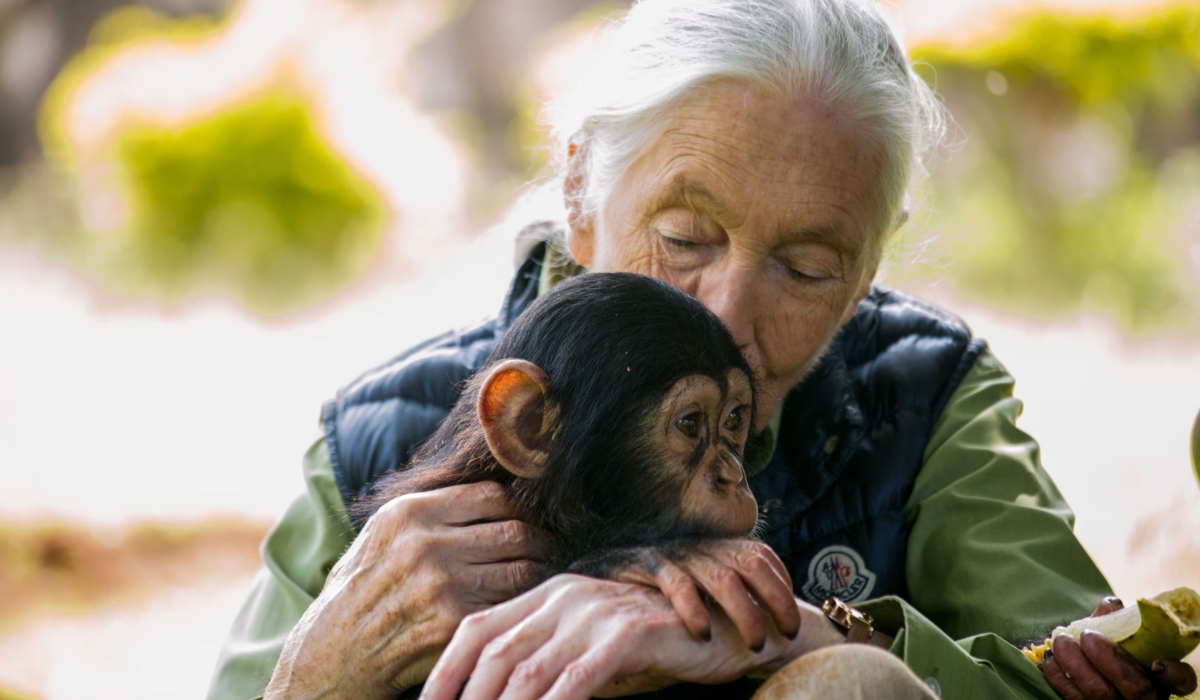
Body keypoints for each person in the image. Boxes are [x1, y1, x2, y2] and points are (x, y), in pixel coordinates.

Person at [207, 1, 1198, 699]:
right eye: (684, 239)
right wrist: (320, 672)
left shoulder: (923, 393)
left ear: (870, 272)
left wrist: (803, 636)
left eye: (808, 267)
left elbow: (1077, 671)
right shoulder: (389, 434)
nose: (725, 317)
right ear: (583, 196)